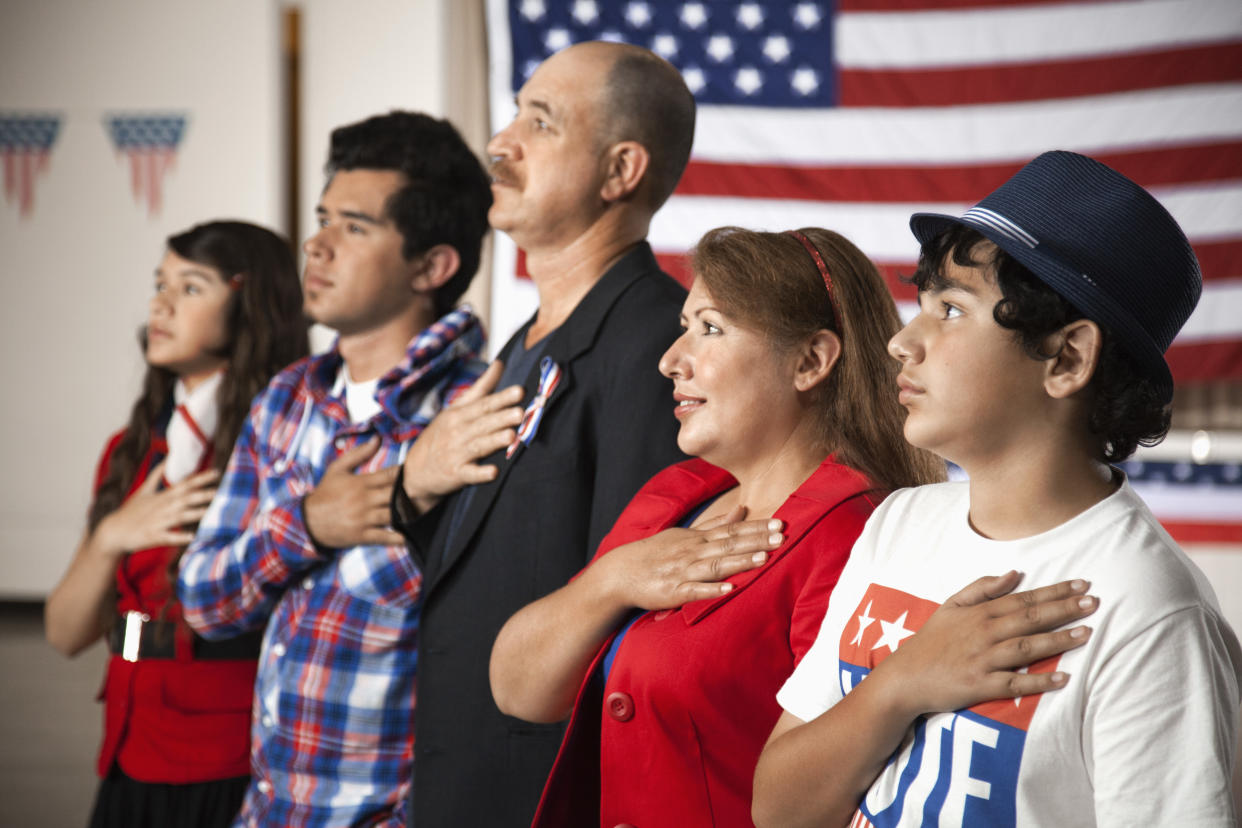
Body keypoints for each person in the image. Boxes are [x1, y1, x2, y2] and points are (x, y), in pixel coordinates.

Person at [753, 151, 1242, 827]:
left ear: (1067, 357)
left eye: (951, 309)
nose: (904, 342)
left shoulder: (1150, 609)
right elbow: (778, 808)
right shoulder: (900, 522)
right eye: (921, 304)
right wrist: (902, 683)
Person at [490, 225, 947, 827]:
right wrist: (612, 581)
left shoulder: (856, 533)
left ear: (811, 361)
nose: (671, 360)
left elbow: (857, 796)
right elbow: (520, 691)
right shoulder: (675, 496)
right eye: (685, 328)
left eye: (710, 328)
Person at [388, 41, 695, 826]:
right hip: (461, 780)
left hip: (545, 796)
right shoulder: (524, 341)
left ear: (620, 171)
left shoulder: (659, 345)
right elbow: (491, 566)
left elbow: (633, 623)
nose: (500, 143)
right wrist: (414, 484)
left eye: (541, 121)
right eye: (515, 112)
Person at [176, 111, 493, 828]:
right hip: (267, 808)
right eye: (322, 219)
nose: (315, 246)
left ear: (432, 265)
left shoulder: (475, 409)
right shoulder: (288, 397)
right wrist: (308, 526)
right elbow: (202, 598)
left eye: (353, 227)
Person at [45, 220, 307, 828]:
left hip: (233, 758)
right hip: (129, 748)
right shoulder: (130, 450)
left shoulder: (281, 444)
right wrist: (112, 536)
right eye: (159, 284)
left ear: (251, 304)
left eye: (191, 287)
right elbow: (63, 633)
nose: (160, 304)